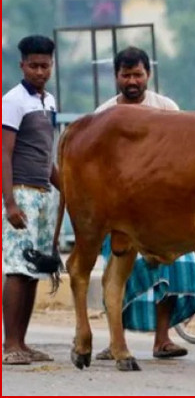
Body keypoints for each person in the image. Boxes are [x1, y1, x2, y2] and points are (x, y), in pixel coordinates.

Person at [94, 47, 195, 361]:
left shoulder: (166, 107)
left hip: (163, 209)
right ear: (116, 76)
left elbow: (184, 155)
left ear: (148, 75)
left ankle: (162, 339)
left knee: (176, 267)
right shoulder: (103, 115)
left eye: (137, 74)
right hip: (119, 213)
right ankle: (115, 341)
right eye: (126, 74)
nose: (132, 80)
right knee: (116, 272)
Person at [2, 35, 59, 365]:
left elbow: (47, 157)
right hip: (21, 192)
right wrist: (9, 202)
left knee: (35, 269)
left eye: (46, 66)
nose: (40, 71)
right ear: (22, 65)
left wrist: (69, 188)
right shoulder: (13, 101)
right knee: (16, 268)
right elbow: (4, 153)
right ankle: (10, 344)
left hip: (43, 194)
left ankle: (23, 342)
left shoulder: (49, 101)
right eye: (34, 66)